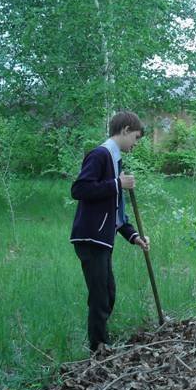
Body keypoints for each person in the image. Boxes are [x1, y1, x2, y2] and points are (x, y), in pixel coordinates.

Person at [70, 111, 150, 353]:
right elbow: (79, 189)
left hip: (102, 238)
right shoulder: (100, 154)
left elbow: (115, 210)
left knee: (108, 292)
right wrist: (117, 184)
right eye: (135, 138)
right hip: (90, 237)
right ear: (125, 130)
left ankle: (101, 341)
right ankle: (98, 347)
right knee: (100, 295)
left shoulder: (115, 159)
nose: (136, 144)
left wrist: (133, 236)